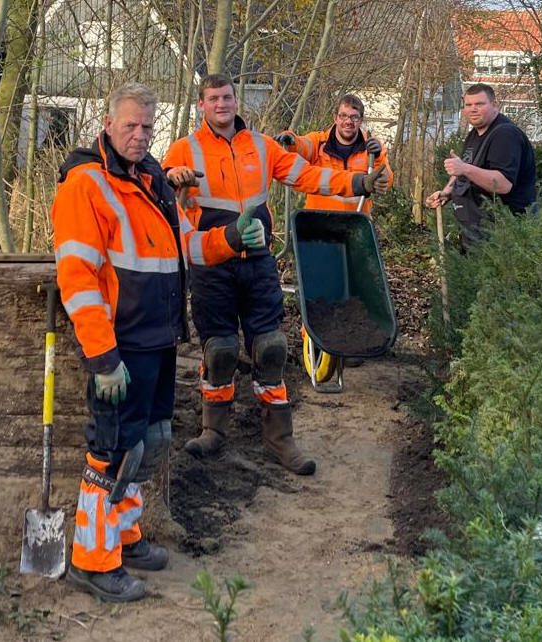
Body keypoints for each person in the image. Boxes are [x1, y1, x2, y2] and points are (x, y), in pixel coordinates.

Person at [51, 82, 236, 602]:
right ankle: (91, 559)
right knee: (110, 452)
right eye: (130, 125)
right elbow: (78, 278)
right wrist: (102, 357)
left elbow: (181, 251)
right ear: (107, 124)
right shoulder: (86, 183)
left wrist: (229, 238)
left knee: (146, 447)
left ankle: (125, 537)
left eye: (148, 127)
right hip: (121, 347)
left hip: (158, 340)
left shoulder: (150, 181)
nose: (139, 135)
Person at [162, 74, 388, 475]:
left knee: (270, 348)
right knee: (220, 352)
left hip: (258, 262)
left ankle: (279, 438)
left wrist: (357, 181)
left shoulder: (261, 146)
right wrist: (172, 178)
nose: (221, 105)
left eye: (227, 97)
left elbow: (309, 175)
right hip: (211, 265)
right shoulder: (184, 149)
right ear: (201, 105)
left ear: (236, 100)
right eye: (213, 99)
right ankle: (213, 429)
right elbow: (162, 189)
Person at [426, 83, 537, 250]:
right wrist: (447, 192)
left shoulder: (505, 135)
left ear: (494, 105)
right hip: (477, 231)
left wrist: (464, 169)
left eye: (479, 104)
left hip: (503, 234)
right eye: (468, 105)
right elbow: (464, 168)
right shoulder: (475, 133)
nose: (473, 109)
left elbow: (503, 184)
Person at [273, 94, 393, 215]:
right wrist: (291, 141)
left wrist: (377, 157)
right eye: (343, 116)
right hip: (318, 223)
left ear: (361, 120)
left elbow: (386, 181)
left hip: (356, 226)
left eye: (354, 117)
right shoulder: (318, 143)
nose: (348, 121)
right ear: (335, 118)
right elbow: (303, 146)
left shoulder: (371, 147)